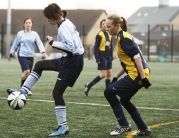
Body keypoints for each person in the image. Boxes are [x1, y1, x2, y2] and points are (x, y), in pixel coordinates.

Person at [7, 3, 84, 137]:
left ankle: (63, 126)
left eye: (48, 18)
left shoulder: (64, 26)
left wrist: (52, 42)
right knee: (39, 65)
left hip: (72, 63)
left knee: (57, 93)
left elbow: (70, 47)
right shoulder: (64, 23)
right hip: (67, 60)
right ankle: (23, 92)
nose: (47, 20)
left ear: (55, 16)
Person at [104, 14, 152, 136]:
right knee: (124, 100)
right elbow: (127, 62)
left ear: (117, 26)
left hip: (137, 74)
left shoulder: (123, 38)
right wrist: (116, 77)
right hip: (137, 73)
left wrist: (142, 77)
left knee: (108, 92)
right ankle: (143, 129)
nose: (107, 29)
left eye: (109, 26)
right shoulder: (121, 37)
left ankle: (124, 125)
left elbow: (136, 57)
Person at [8, 17, 47, 96]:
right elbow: (15, 44)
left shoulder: (34, 34)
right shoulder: (20, 34)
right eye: (26, 23)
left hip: (30, 56)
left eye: (29, 23)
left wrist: (43, 52)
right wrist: (10, 53)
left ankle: (26, 89)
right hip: (22, 55)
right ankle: (22, 89)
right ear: (24, 24)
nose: (28, 24)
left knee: (28, 74)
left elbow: (39, 43)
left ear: (31, 24)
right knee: (27, 71)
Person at [84, 19, 113, 96]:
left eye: (106, 24)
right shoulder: (99, 35)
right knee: (103, 74)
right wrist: (97, 58)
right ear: (101, 26)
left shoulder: (109, 34)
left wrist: (111, 56)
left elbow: (110, 46)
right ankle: (89, 85)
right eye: (103, 24)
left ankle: (108, 92)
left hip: (108, 55)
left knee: (109, 73)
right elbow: (96, 48)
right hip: (102, 55)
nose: (104, 25)